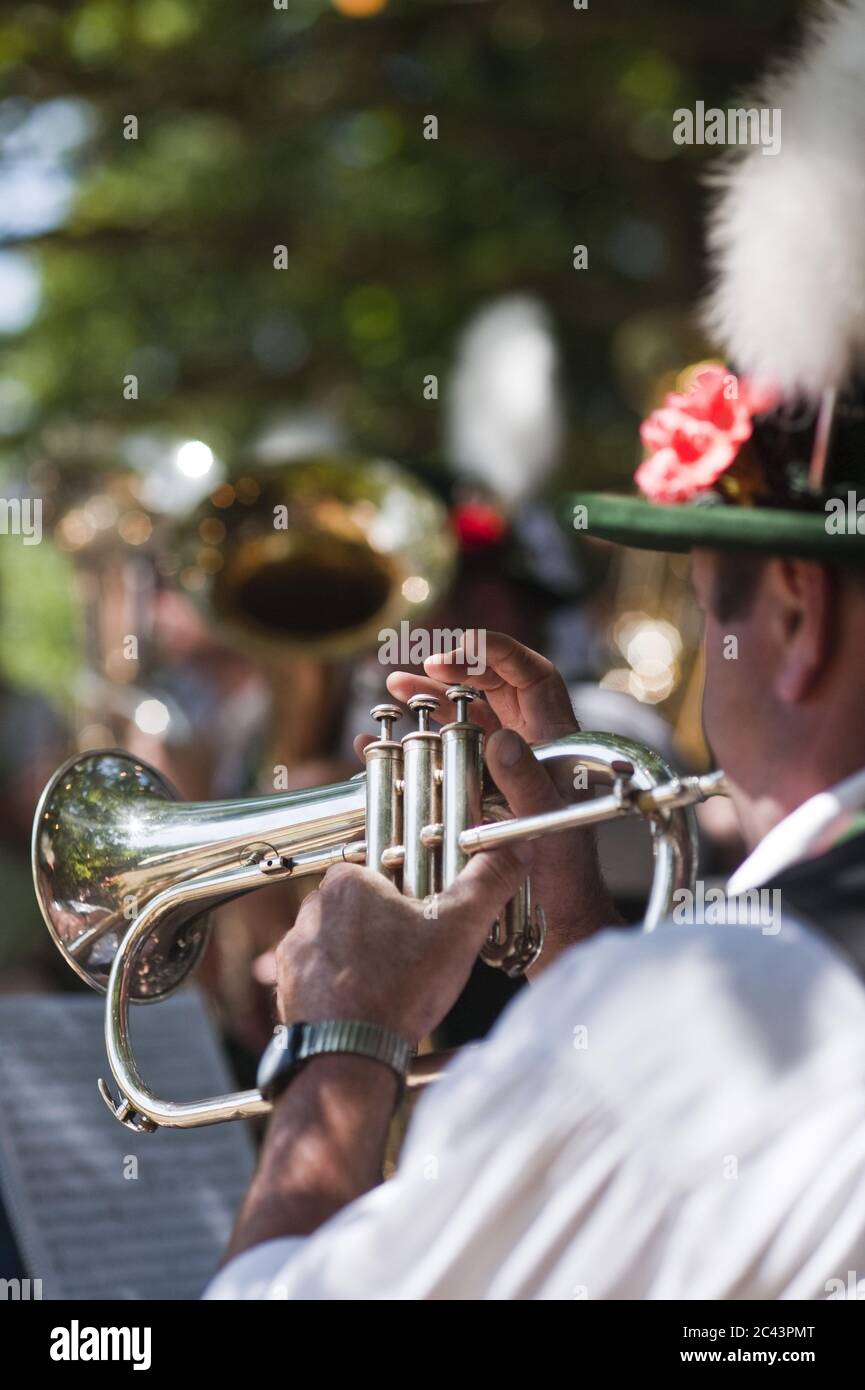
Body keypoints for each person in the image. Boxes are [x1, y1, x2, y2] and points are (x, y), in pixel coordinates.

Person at [205, 1, 865, 1299]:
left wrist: (341, 1042)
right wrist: (571, 906)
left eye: (700, 594)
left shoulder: (724, 1015)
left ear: (793, 612)